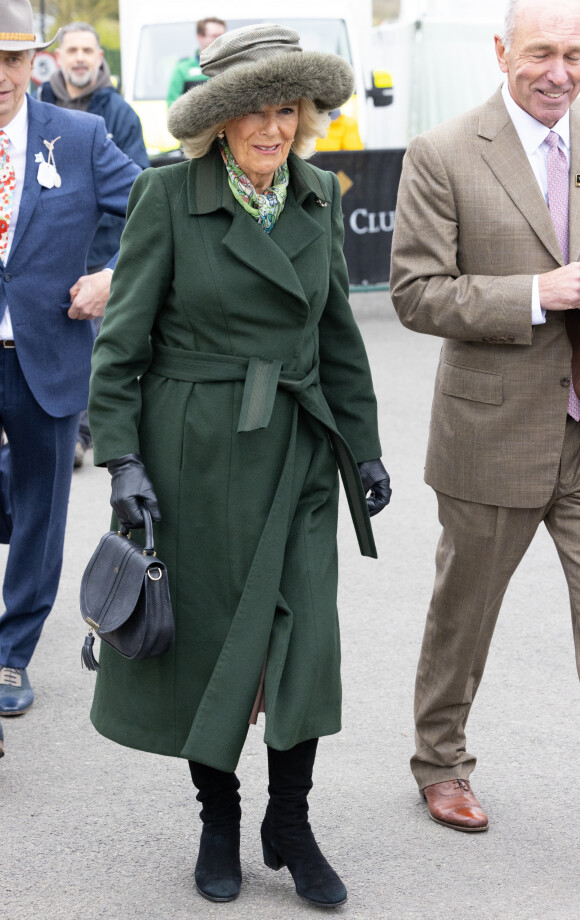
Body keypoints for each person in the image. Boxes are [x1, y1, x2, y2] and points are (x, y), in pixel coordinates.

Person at [88, 23, 390, 907]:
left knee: (305, 646)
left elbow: (336, 332)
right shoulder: (166, 197)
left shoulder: (318, 197)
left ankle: (288, 823)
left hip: (296, 447)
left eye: (287, 108)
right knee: (212, 648)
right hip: (196, 453)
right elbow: (121, 345)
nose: (272, 126)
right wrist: (121, 460)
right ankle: (218, 819)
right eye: (253, 110)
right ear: (218, 122)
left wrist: (363, 444)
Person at [390, 0, 580, 833]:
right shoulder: (442, 153)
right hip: (491, 431)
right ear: (503, 52)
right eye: (543, 52)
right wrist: (535, 294)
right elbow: (415, 293)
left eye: (577, 56)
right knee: (462, 616)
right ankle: (441, 763)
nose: (560, 73)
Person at [0, 0, 141, 719]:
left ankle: (11, 653)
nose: (1, 74)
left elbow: (152, 211)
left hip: (46, 354)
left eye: (13, 58)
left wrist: (113, 276)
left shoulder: (79, 137)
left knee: (41, 512)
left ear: (37, 62)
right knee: (14, 500)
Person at [40, 22, 150, 469]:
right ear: (58, 58)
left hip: (102, 252)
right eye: (73, 50)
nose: (81, 58)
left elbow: (140, 190)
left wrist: (112, 267)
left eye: (89, 49)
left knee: (99, 348)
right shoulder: (34, 107)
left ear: (100, 57)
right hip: (49, 256)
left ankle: (83, 436)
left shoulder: (119, 113)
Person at [165, 16, 226, 107]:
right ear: (200, 37)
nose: (219, 40)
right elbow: (172, 105)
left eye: (222, 35)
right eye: (214, 36)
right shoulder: (182, 69)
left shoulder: (233, 65)